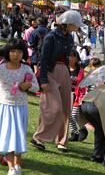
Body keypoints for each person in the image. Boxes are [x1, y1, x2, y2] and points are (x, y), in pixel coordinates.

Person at [0, 38, 39, 175]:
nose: (16, 54)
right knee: (8, 137)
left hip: (21, 108)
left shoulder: (26, 69)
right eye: (13, 51)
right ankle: (11, 168)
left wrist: (28, 85)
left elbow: (36, 87)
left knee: (18, 137)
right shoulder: (1, 68)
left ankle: (17, 165)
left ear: (24, 53)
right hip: (5, 108)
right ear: (7, 52)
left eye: (19, 51)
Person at [30, 10, 84, 152]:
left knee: (66, 107)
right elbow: (44, 58)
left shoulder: (70, 37)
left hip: (65, 71)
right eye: (75, 25)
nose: (77, 27)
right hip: (50, 71)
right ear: (69, 23)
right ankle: (38, 137)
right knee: (53, 107)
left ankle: (62, 141)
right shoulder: (51, 36)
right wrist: (44, 79)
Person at [68, 50, 88, 142]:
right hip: (67, 95)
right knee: (68, 116)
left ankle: (83, 129)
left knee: (75, 114)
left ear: (77, 59)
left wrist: (81, 97)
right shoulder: (65, 69)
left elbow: (82, 85)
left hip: (77, 96)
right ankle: (74, 133)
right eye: (69, 56)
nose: (70, 59)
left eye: (72, 57)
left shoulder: (80, 71)